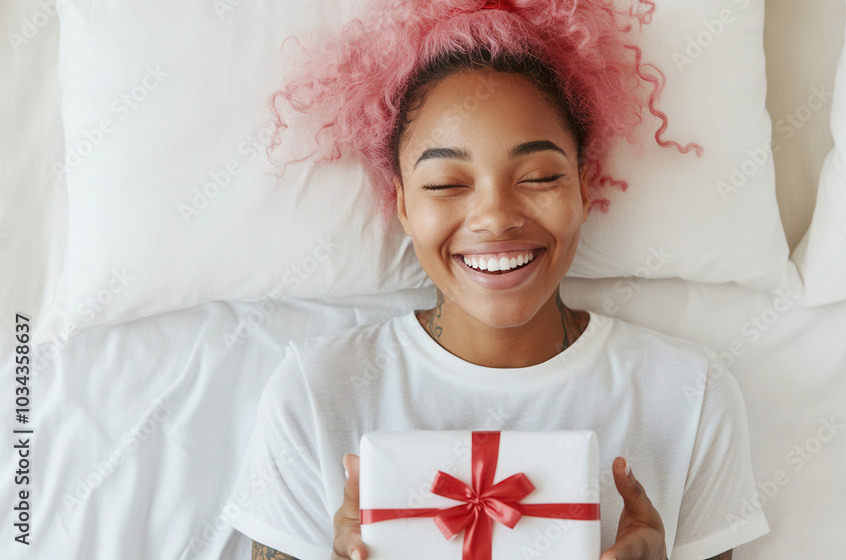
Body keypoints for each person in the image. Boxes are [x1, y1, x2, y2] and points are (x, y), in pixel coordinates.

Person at [225, 1, 770, 559]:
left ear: (584, 189)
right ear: (404, 206)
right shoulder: (314, 394)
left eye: (538, 176)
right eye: (444, 184)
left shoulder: (688, 395)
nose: (496, 217)